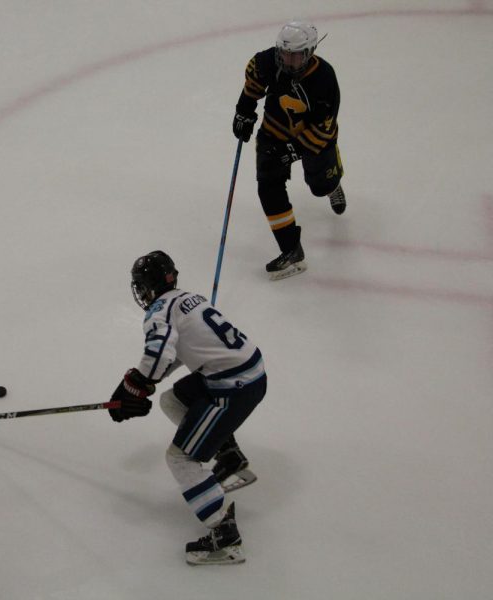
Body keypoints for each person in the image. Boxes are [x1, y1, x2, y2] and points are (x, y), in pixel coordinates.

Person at [108, 250, 267, 565]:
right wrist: (142, 384)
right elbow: (181, 350)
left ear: (149, 287)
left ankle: (225, 535)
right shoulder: (188, 298)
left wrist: (135, 386)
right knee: (172, 399)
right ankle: (230, 457)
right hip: (250, 371)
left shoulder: (158, 311)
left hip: (233, 386)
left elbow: (158, 354)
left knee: (179, 458)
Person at [232, 20, 346, 280]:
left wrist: (294, 151)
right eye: (284, 53)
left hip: (314, 139)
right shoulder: (267, 62)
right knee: (268, 186)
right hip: (274, 132)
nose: (287, 59)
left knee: (320, 186)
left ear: (309, 53)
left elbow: (323, 129)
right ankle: (291, 250)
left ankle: (333, 184)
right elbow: (253, 82)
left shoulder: (325, 79)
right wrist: (244, 110)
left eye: (294, 55)